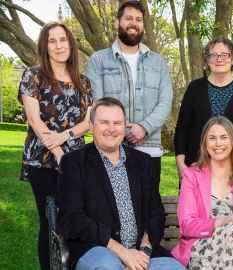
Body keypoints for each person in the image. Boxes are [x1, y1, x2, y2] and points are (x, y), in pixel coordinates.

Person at [57, 97, 185, 270]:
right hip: (97, 250)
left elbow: (156, 213)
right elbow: (72, 218)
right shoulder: (74, 163)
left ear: (124, 127)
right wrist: (122, 253)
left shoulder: (143, 163)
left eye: (117, 123)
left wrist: (144, 252)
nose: (111, 129)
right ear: (92, 126)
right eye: (104, 122)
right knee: (107, 266)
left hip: (142, 253)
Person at [17, 21, 92, 270]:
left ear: (70, 43)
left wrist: (65, 136)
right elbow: (35, 120)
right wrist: (59, 152)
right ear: (45, 46)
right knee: (50, 222)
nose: (59, 45)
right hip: (44, 161)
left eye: (63, 39)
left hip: (76, 161)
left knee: (75, 218)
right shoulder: (33, 75)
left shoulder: (84, 82)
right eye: (52, 40)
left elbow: (88, 121)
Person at [86, 0, 172, 194]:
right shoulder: (98, 60)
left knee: (147, 207)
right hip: (110, 146)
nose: (134, 23)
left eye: (139, 19)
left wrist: (144, 127)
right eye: (128, 18)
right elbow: (97, 103)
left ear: (143, 25)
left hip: (149, 147)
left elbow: (165, 102)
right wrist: (123, 130)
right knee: (110, 207)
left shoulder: (158, 62)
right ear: (117, 22)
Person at [172, 116, 233, 269]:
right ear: (204, 143)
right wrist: (221, 222)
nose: (218, 143)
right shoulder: (191, 175)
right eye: (212, 138)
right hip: (202, 246)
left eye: (224, 137)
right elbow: (187, 224)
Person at [174, 37, 233, 177]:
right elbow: (182, 130)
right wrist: (181, 166)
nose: (219, 59)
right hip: (196, 168)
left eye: (225, 55)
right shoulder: (194, 88)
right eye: (213, 55)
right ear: (207, 60)